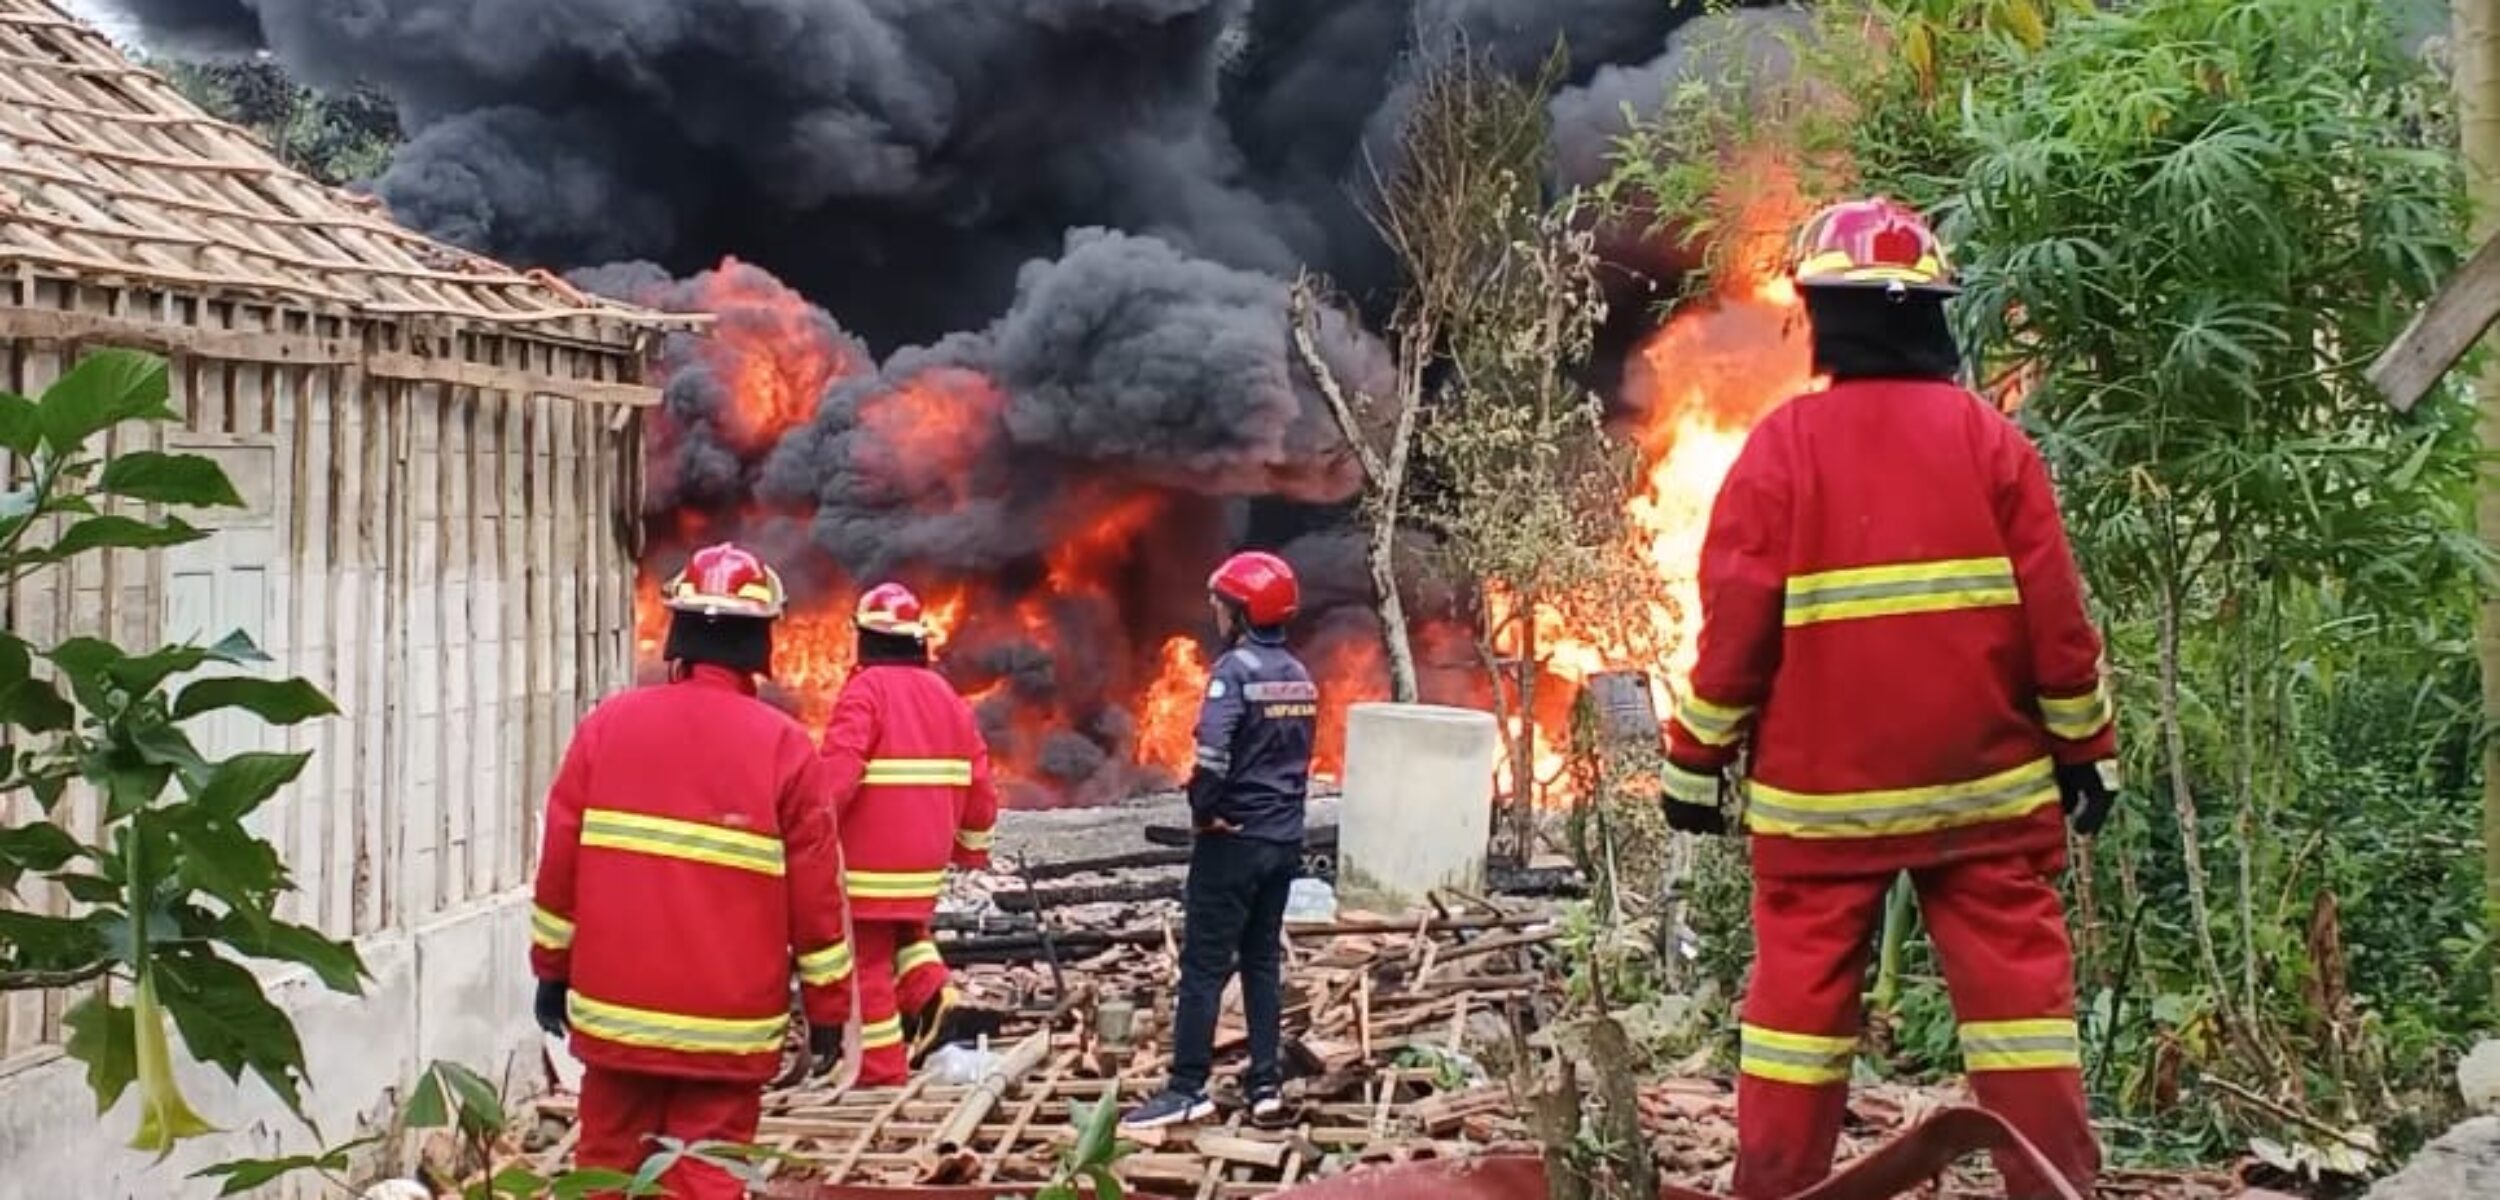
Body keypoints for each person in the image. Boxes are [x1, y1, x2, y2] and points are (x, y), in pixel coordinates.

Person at [1662, 197, 2117, 1200]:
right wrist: (2087, 750)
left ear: (1822, 316)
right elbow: (2057, 625)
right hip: (1985, 798)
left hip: (1821, 811)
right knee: (2022, 1015)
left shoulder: (1782, 450)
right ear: (1931, 317)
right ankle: (2055, 1187)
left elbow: (1735, 635)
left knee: (1796, 1020)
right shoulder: (1993, 444)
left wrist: (1694, 761)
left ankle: (1779, 1190)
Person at [529, 543, 854, 1200]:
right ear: (760, 640)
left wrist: (551, 971)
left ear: (677, 631)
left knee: (605, 1171)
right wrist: (828, 1009)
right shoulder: (786, 748)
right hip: (726, 1037)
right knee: (706, 1176)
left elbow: (559, 868)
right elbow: (817, 901)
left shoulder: (608, 726)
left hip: (616, 1020)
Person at [1123, 551, 1317, 1132]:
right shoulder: (1300, 676)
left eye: (1222, 604)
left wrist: (1206, 813)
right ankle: (1266, 1086)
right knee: (1261, 961)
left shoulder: (1235, 672)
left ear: (1244, 611)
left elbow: (1211, 754)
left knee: (1204, 967)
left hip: (1233, 843)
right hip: (1283, 841)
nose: (1216, 612)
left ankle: (1187, 1087)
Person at [817, 581, 1002, 1087]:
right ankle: (936, 995)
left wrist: (808, 832)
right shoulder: (948, 698)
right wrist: (971, 851)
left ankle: (878, 1070)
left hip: (868, 866)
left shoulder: (865, 691)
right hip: (923, 865)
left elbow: (838, 775)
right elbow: (980, 782)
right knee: (908, 934)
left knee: (866, 964)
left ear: (865, 637)